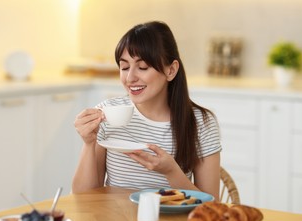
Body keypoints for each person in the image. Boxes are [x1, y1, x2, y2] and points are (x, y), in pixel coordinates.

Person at [72, 21, 221, 199]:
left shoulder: (201, 123)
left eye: (142, 67)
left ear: (171, 70)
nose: (130, 78)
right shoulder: (108, 114)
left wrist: (172, 171)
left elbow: (212, 208)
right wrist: (89, 143)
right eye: (124, 67)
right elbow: (82, 198)